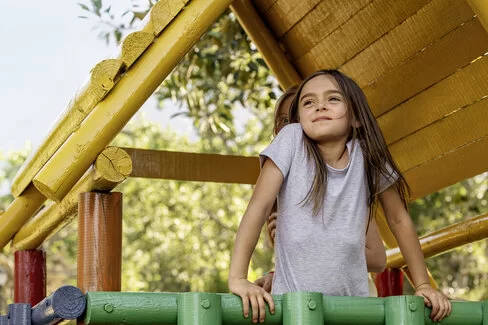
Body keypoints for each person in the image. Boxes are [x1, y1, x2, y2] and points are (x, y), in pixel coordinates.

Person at [228, 70, 451, 323]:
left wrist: (422, 284)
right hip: (295, 308)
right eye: (308, 102)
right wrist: (238, 278)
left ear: (356, 117)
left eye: (333, 99)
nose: (320, 105)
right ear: (299, 118)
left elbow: (399, 219)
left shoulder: (366, 155)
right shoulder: (291, 140)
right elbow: (258, 206)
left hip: (352, 309)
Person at [254, 86, 386, 294]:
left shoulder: (347, 188)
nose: (294, 128)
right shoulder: (277, 193)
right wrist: (274, 276)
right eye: (285, 120)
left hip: (351, 301)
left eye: (297, 119)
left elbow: (378, 258)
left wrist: (317, 241)